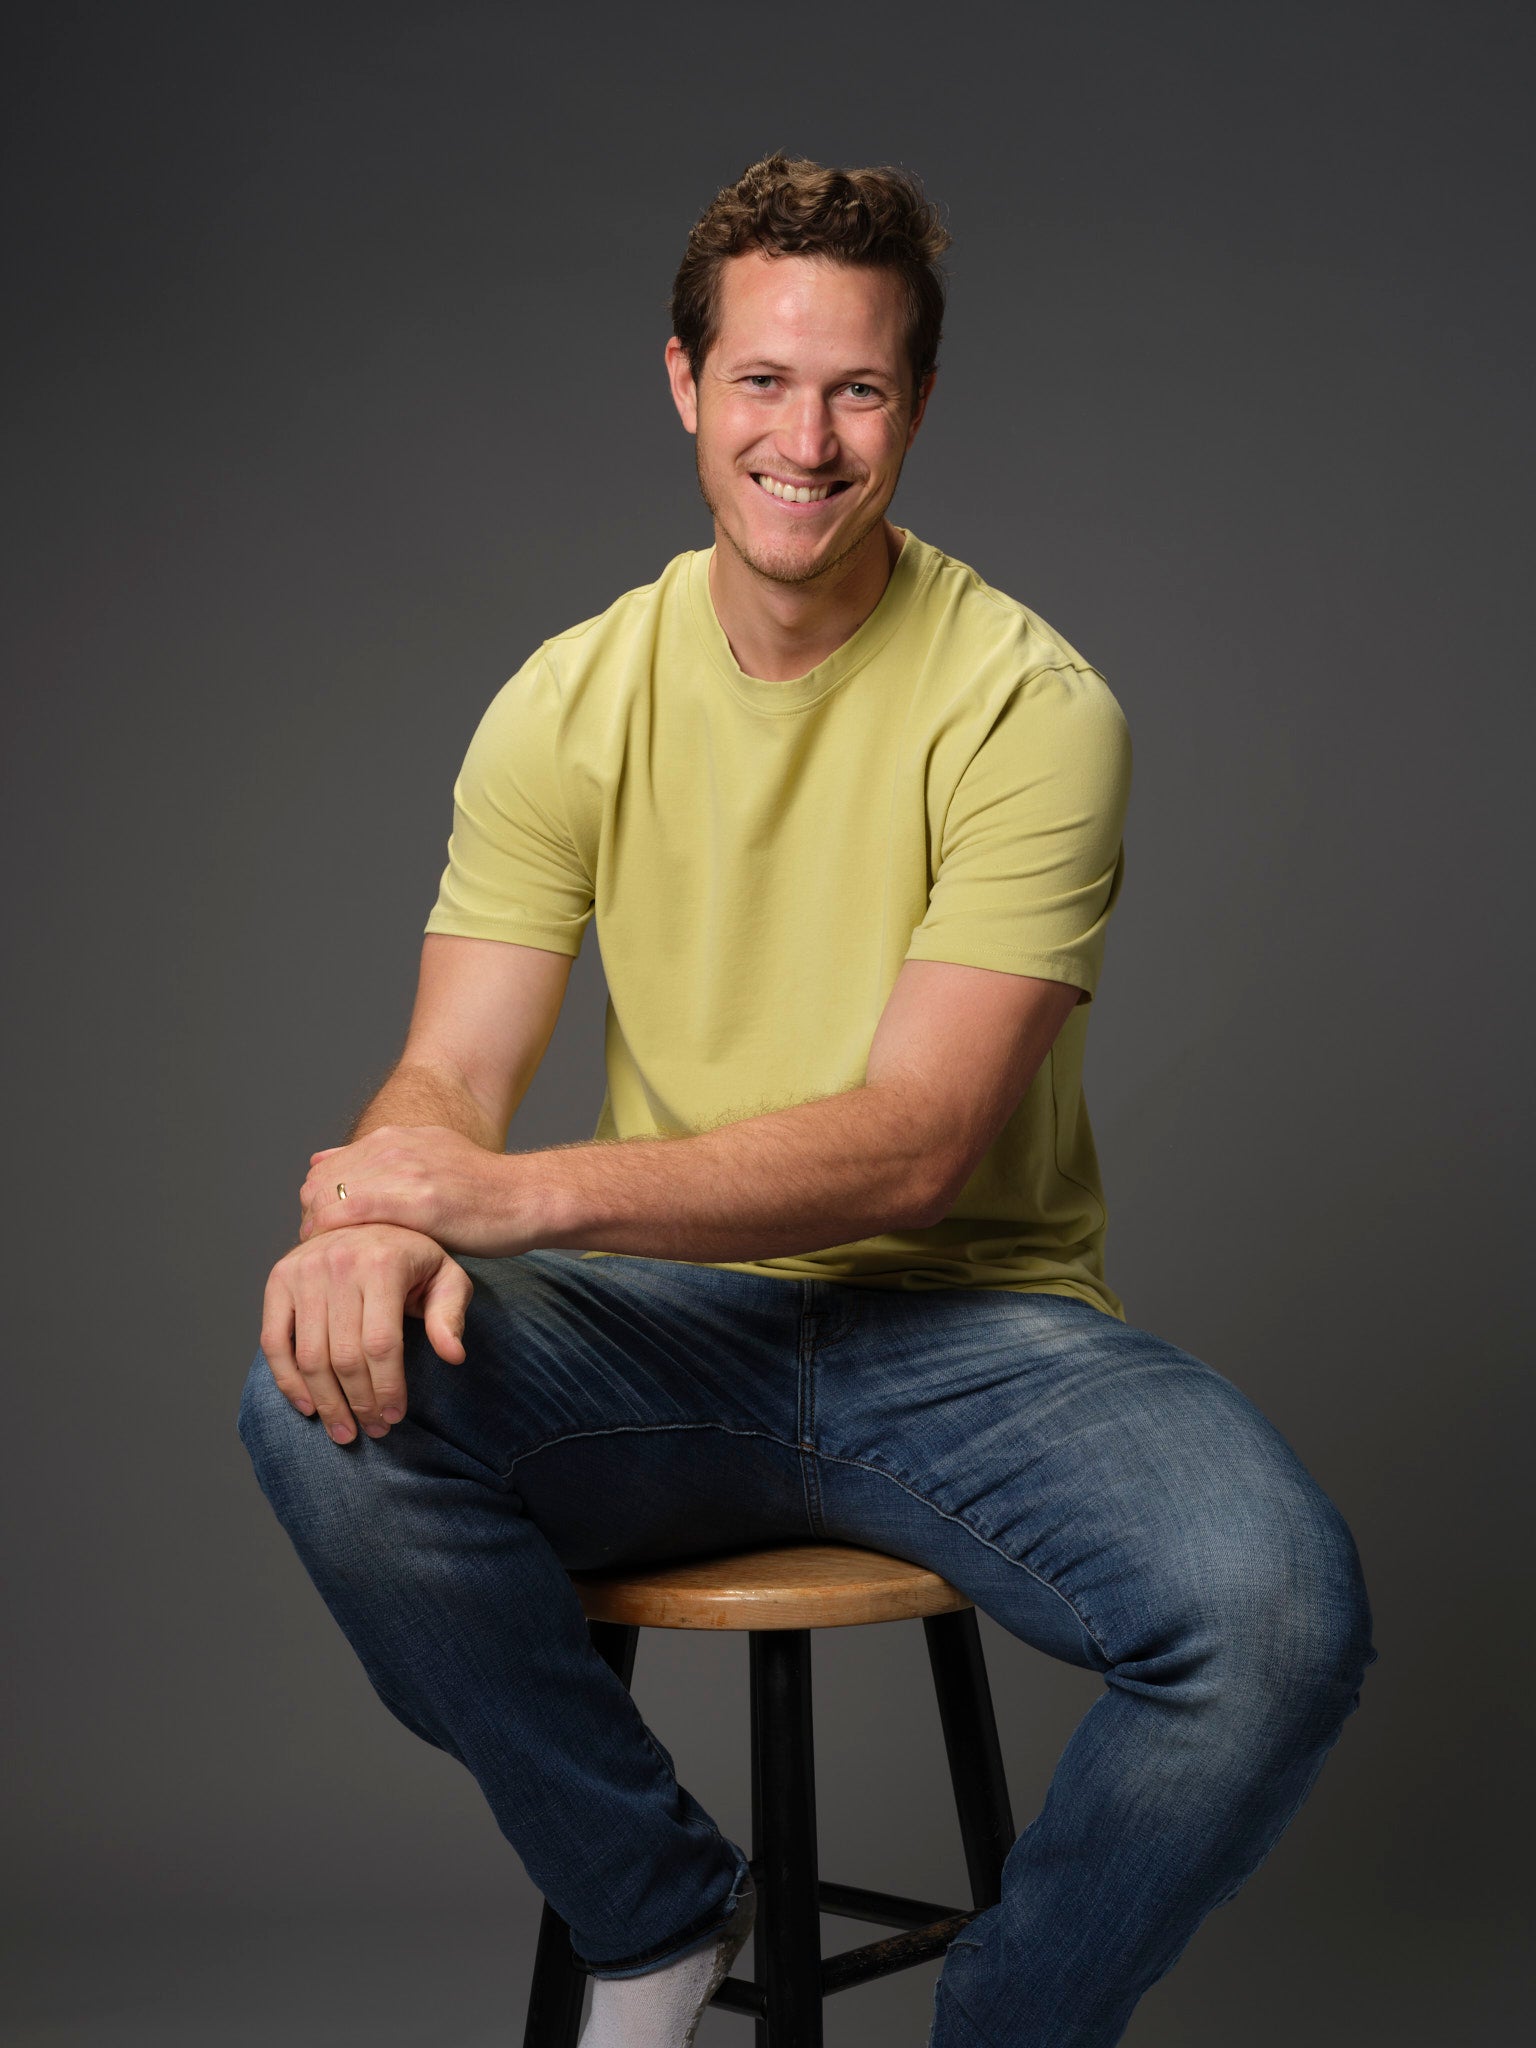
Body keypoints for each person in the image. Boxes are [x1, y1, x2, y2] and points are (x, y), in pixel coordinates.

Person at [237, 152, 1374, 2048]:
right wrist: (376, 1214)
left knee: (1275, 1623)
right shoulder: (569, 696)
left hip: (982, 1341)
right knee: (316, 1404)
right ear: (684, 385)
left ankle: (1001, 2027)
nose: (808, 437)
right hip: (663, 1338)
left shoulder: (1027, 702)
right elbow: (452, 1061)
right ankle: (654, 1909)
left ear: (917, 407)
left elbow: (919, 1145)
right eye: (764, 380)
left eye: (857, 388)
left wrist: (503, 1201)